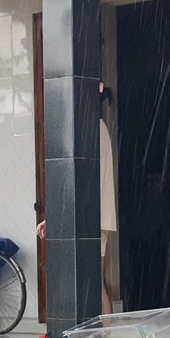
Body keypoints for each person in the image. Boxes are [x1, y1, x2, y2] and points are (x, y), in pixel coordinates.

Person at [37, 82, 117, 314]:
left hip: (89, 217)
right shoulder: (99, 128)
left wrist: (55, 218)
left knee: (91, 284)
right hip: (97, 216)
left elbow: (77, 182)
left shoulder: (89, 131)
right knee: (96, 283)